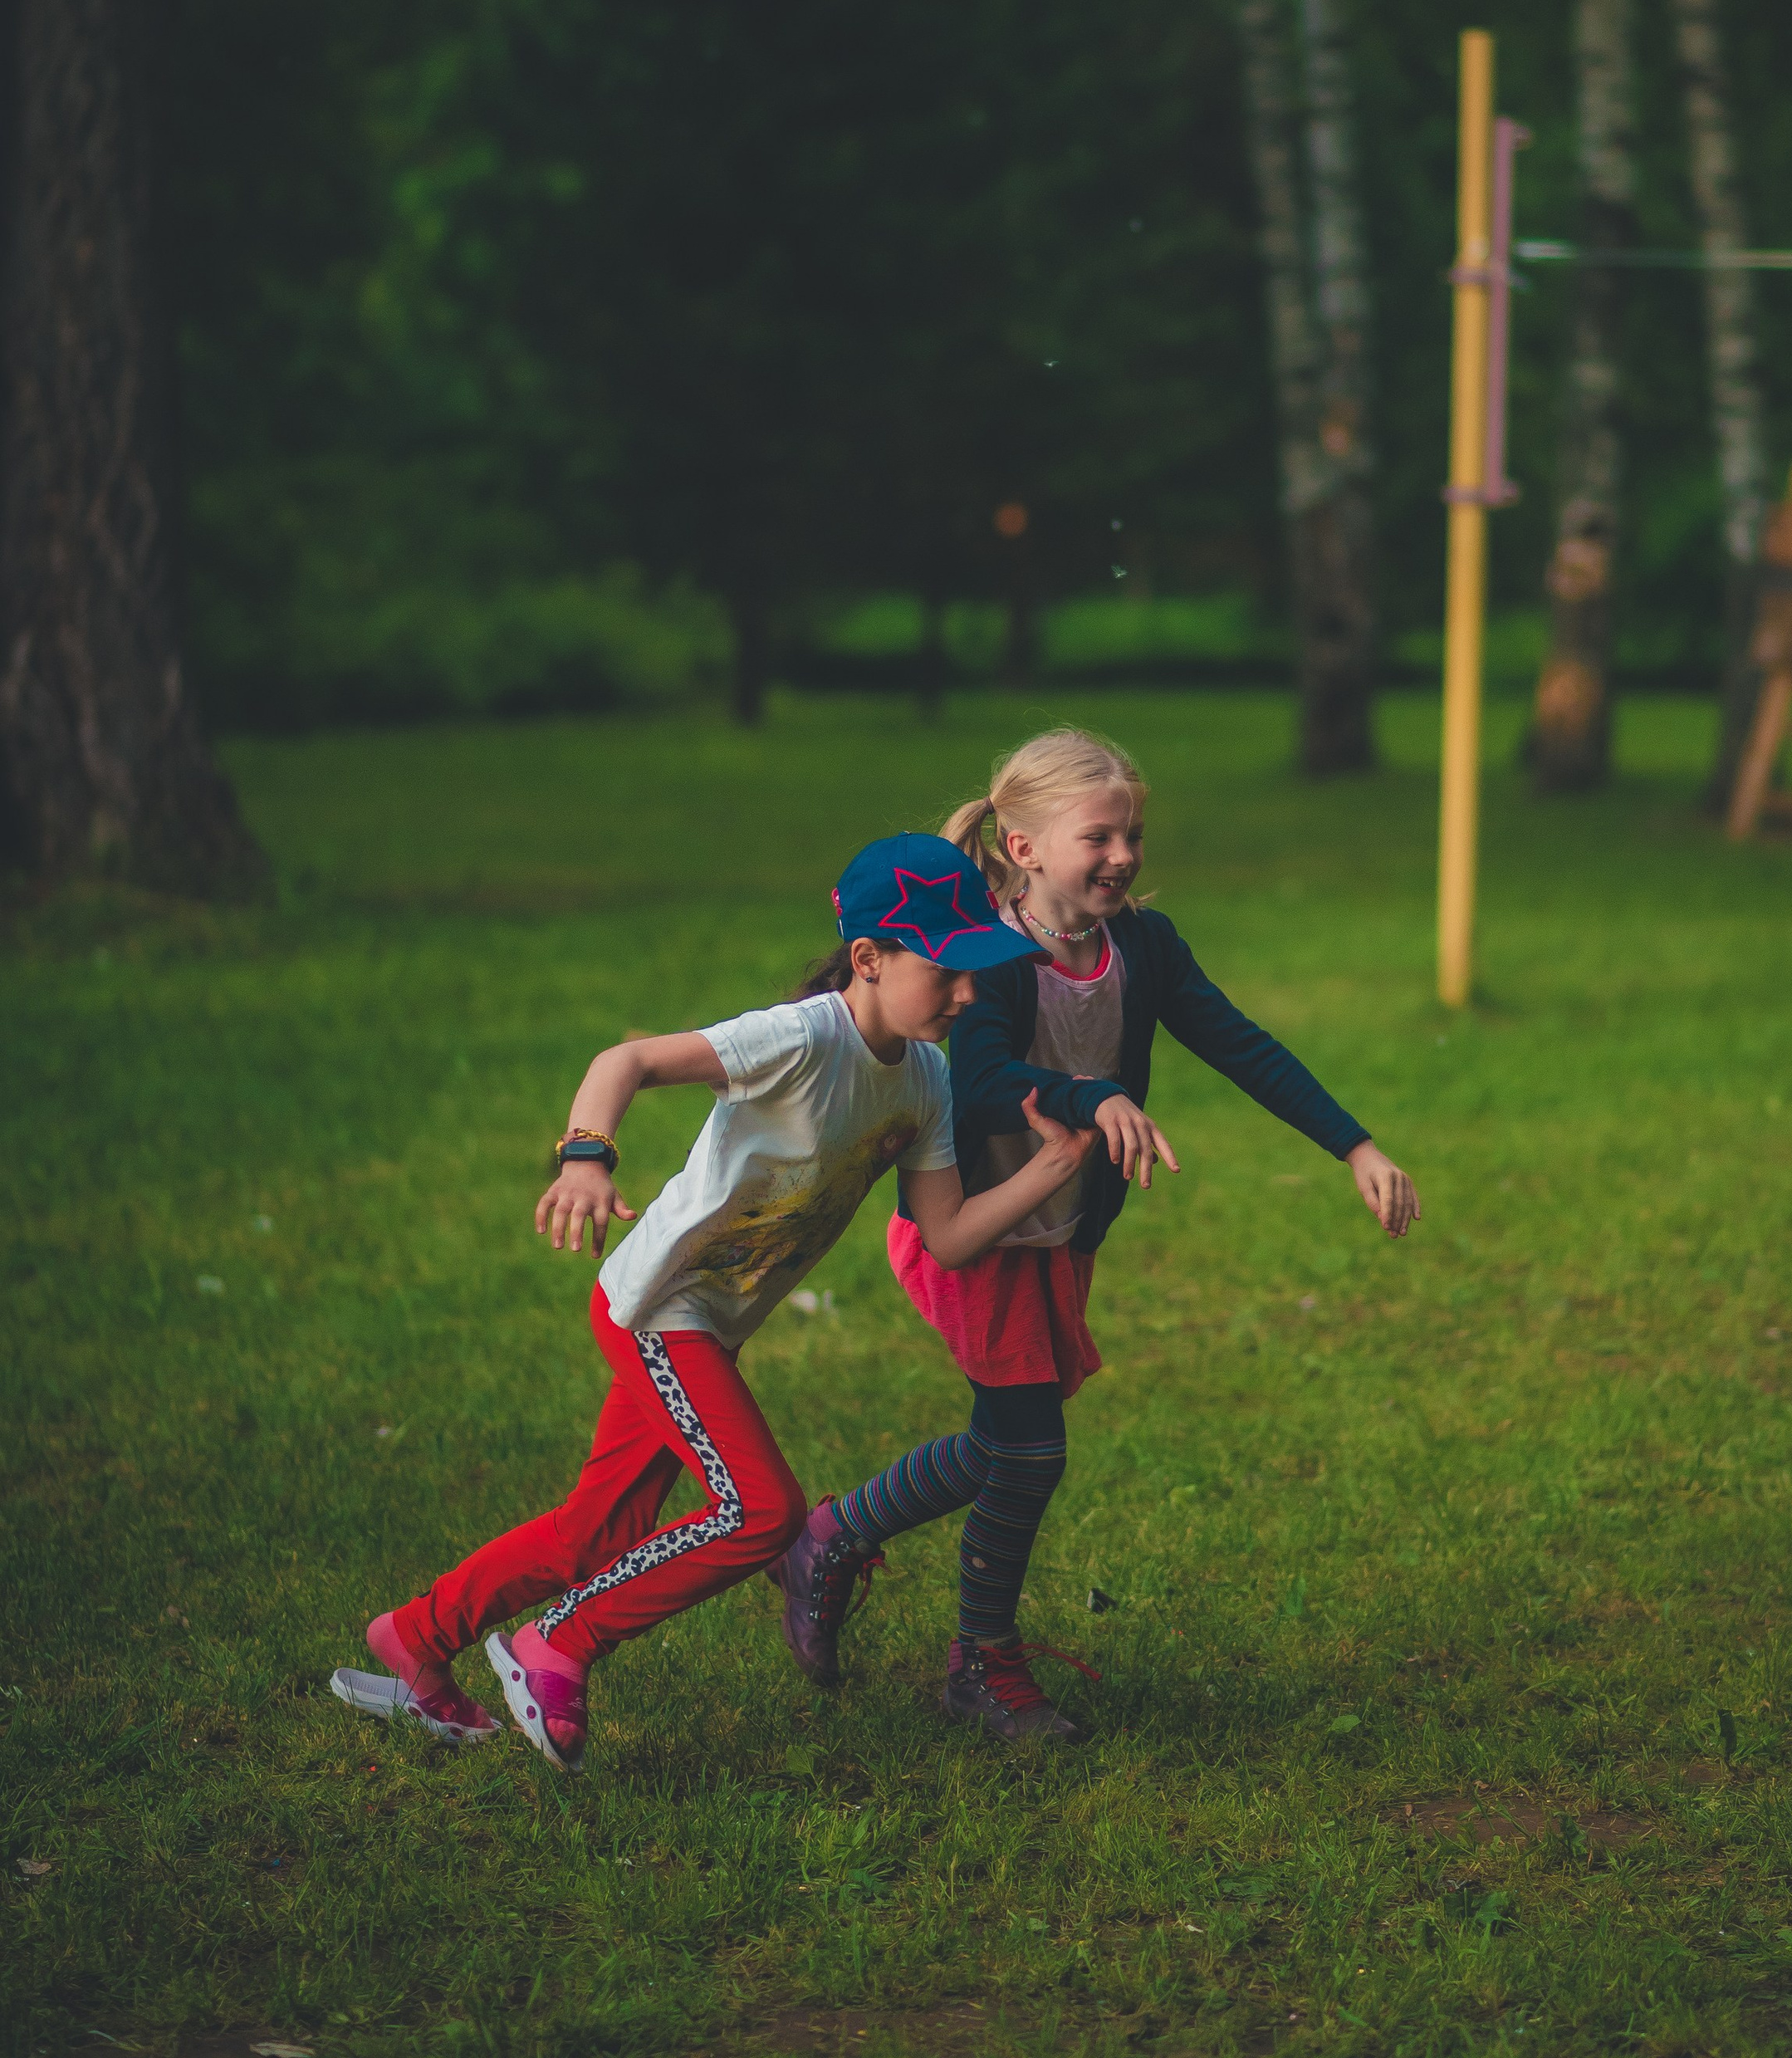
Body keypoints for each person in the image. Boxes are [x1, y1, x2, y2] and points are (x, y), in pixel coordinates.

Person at [330, 835, 1090, 1772]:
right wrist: (585, 1154)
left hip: (710, 1324)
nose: (968, 993)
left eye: (976, 971)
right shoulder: (803, 1036)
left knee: (596, 1529)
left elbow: (947, 1235)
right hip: (660, 1305)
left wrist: (1053, 1164)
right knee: (762, 1513)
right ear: (869, 958)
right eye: (947, 971)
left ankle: (413, 1636)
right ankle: (557, 1643)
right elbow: (629, 1058)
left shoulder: (926, 1081)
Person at [769, 728, 1419, 1742]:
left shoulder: (1145, 947)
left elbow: (1238, 1042)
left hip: (1060, 1227)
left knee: (1004, 1444)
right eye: (1099, 835)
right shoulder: (988, 956)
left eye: (1133, 833)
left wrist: (1356, 1146)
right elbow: (978, 1083)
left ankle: (832, 1535)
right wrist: (1087, 1092)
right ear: (1023, 848)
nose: (1123, 854)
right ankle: (979, 1665)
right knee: (1027, 1448)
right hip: (974, 1227)